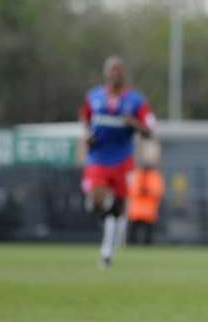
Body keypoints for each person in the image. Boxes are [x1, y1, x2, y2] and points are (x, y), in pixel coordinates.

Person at [79, 55, 155, 268]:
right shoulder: (93, 96)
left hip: (123, 159)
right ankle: (110, 229)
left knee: (118, 208)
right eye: (111, 69)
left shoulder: (136, 100)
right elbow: (85, 121)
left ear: (124, 73)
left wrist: (135, 124)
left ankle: (107, 251)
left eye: (118, 70)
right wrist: (87, 136)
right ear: (106, 72)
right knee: (96, 201)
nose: (115, 73)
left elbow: (150, 130)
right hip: (98, 158)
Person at [127, 147, 166, 245]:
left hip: (149, 212)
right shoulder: (136, 174)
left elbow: (158, 191)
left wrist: (146, 191)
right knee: (133, 236)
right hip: (136, 211)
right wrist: (142, 191)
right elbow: (130, 190)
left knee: (148, 237)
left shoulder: (155, 176)